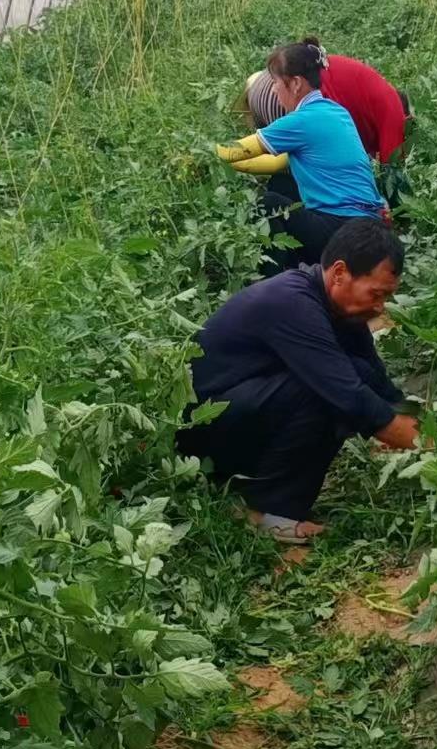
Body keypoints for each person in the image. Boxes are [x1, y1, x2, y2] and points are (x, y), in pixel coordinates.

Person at [177, 218, 418, 543]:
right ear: (339, 273)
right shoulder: (291, 302)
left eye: (386, 297)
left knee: (356, 371)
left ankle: (265, 492)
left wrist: (427, 425)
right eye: (376, 294)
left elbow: (377, 382)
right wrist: (425, 445)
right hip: (201, 433)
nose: (380, 307)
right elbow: (350, 396)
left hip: (243, 411)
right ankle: (266, 511)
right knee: (323, 392)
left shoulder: (339, 309)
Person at [219, 42, 388, 272]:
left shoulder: (301, 121)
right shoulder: (336, 111)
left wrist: (203, 151)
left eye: (276, 82)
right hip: (372, 231)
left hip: (343, 232)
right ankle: (302, 267)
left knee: (267, 205)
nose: (274, 90)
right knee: (283, 185)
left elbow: (234, 150)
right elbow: (274, 164)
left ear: (296, 83)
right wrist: (236, 165)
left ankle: (279, 281)